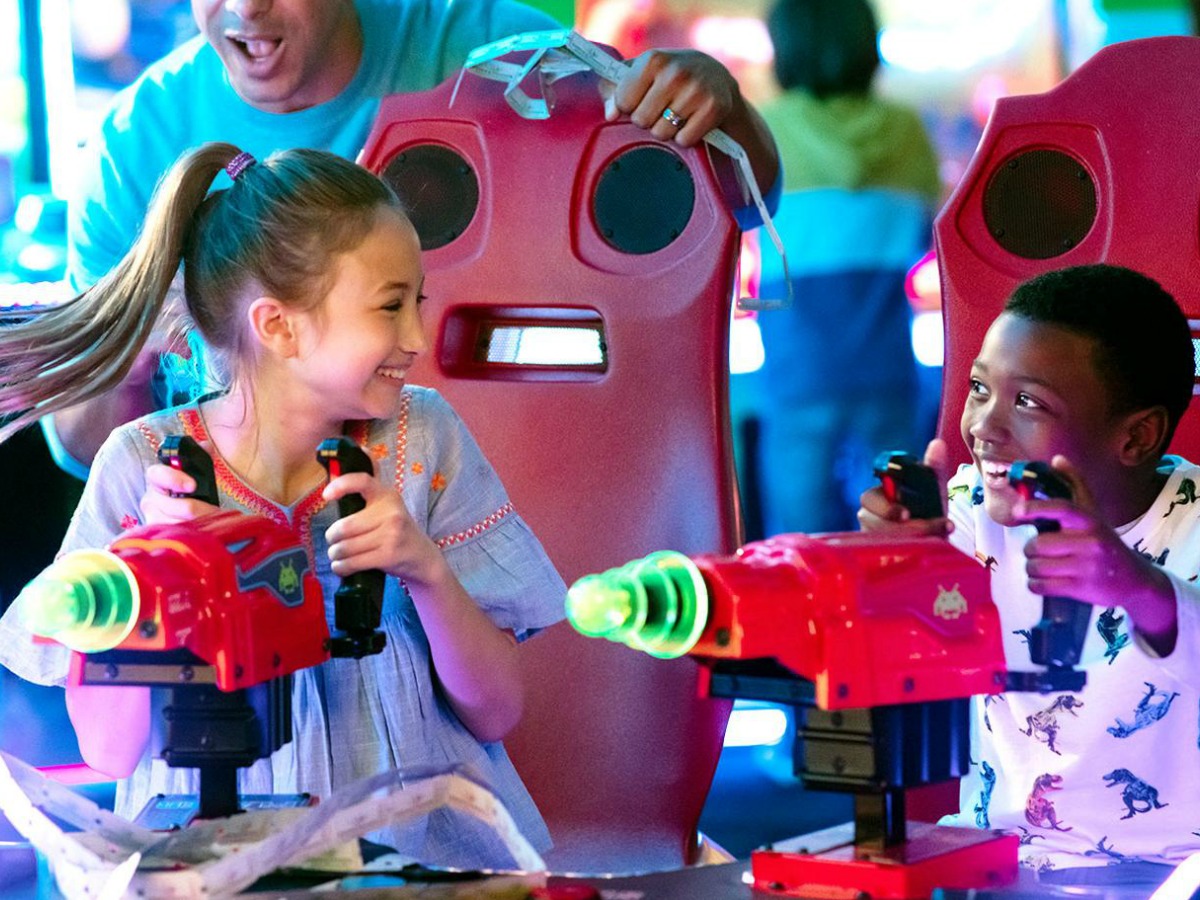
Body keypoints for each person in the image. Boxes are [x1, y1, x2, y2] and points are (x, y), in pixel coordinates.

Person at [0, 143, 568, 868]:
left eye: (416, 304)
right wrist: (153, 576)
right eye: (390, 306)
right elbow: (109, 751)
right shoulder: (141, 467)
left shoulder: (422, 439)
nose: (416, 338)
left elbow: (496, 711)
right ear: (278, 326)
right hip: (215, 864)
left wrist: (425, 570)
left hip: (416, 857)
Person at [48, 0, 781, 476]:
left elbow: (736, 197)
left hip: (522, 485)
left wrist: (712, 104)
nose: (245, 8)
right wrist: (139, 350)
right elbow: (81, 445)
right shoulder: (134, 146)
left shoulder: (486, 47)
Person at [859, 264, 1200, 883]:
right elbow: (886, 669)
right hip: (996, 864)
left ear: (1136, 437)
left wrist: (1133, 584)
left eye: (1027, 402)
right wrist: (889, 567)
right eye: (979, 388)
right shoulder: (964, 514)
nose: (983, 428)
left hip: (1175, 873)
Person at [749, 0, 939, 536]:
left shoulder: (767, 131)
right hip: (887, 364)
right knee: (898, 524)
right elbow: (925, 235)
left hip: (798, 366)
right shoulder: (905, 133)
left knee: (797, 532)